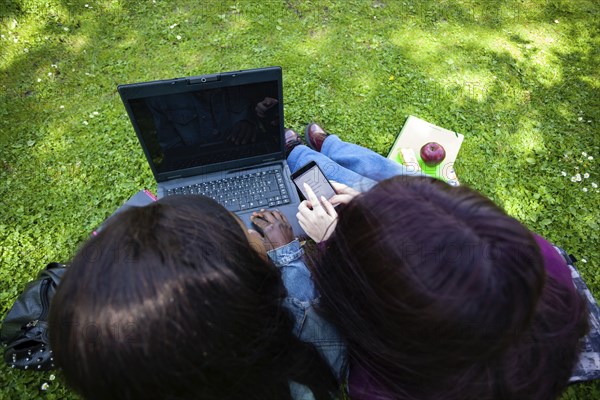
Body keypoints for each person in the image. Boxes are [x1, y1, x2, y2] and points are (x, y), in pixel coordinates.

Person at [283, 123, 589, 399]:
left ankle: (297, 152)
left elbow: (355, 298)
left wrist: (331, 239)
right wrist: (369, 208)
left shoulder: (385, 384)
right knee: (394, 180)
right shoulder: (539, 258)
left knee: (383, 181)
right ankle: (328, 146)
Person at [48, 195, 343, 400]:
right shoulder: (303, 361)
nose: (253, 235)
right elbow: (319, 334)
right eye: (245, 236)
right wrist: (287, 254)